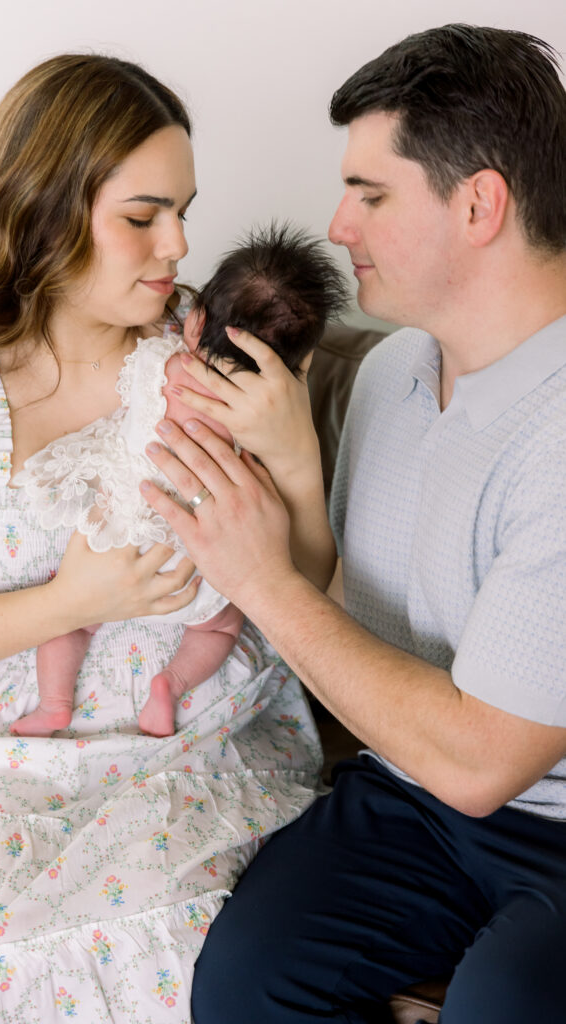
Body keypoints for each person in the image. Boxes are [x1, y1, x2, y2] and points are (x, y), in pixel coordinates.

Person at [0, 55, 328, 1020]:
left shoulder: (209, 363)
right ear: (45, 212)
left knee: (179, 938)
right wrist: (72, 603)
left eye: (183, 211)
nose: (177, 243)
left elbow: (308, 598)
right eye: (142, 215)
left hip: (190, 753)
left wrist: (296, 461)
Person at [139, 24, 566, 1023]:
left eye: (369, 195)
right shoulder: (386, 373)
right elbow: (351, 623)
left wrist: (259, 577)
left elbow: (480, 760)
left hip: (533, 813)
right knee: (244, 982)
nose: (336, 225)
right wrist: (286, 472)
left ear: (477, 203)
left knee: (503, 1000)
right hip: (410, 795)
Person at [11, 223, 348, 739]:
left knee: (70, 620)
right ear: (295, 365)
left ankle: (54, 703)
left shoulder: (156, 360)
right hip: (201, 554)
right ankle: (169, 684)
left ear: (194, 326)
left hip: (124, 529)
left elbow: (125, 407)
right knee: (218, 625)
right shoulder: (256, 414)